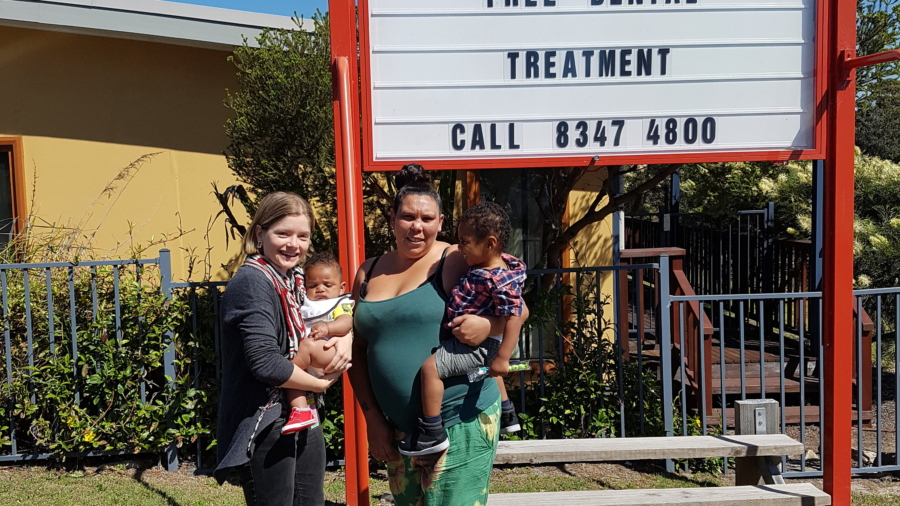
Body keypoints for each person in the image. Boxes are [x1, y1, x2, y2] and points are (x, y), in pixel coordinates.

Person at [349, 164, 528, 506]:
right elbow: (356, 350)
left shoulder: (454, 259)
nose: (417, 227)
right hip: (402, 431)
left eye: (427, 219)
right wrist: (372, 417)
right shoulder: (368, 270)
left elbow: (517, 305)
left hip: (460, 417)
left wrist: (487, 325)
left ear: (441, 222)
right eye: (407, 217)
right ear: (392, 218)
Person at [215, 192, 352, 506]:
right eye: (283, 234)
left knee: (310, 501)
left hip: (302, 411)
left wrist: (344, 338)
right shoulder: (253, 283)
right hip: (266, 417)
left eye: (302, 236)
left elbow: (338, 313)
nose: (294, 244)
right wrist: (319, 383)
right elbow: (265, 363)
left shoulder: (296, 280)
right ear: (260, 234)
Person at [398, 202, 526, 456]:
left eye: (465, 241)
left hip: (479, 345)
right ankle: (508, 412)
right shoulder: (485, 267)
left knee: (430, 370)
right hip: (473, 343)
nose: (460, 247)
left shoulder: (499, 278)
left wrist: (503, 358)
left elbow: (515, 315)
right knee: (476, 372)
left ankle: (432, 431)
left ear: (489, 244)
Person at [281, 252, 355, 434]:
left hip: (328, 350)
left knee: (293, 370)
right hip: (308, 358)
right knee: (297, 378)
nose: (320, 289)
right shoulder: (305, 303)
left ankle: (289, 381)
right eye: (313, 285)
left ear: (341, 287)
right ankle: (301, 411)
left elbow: (346, 322)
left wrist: (328, 328)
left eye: (327, 285)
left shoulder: (340, 303)